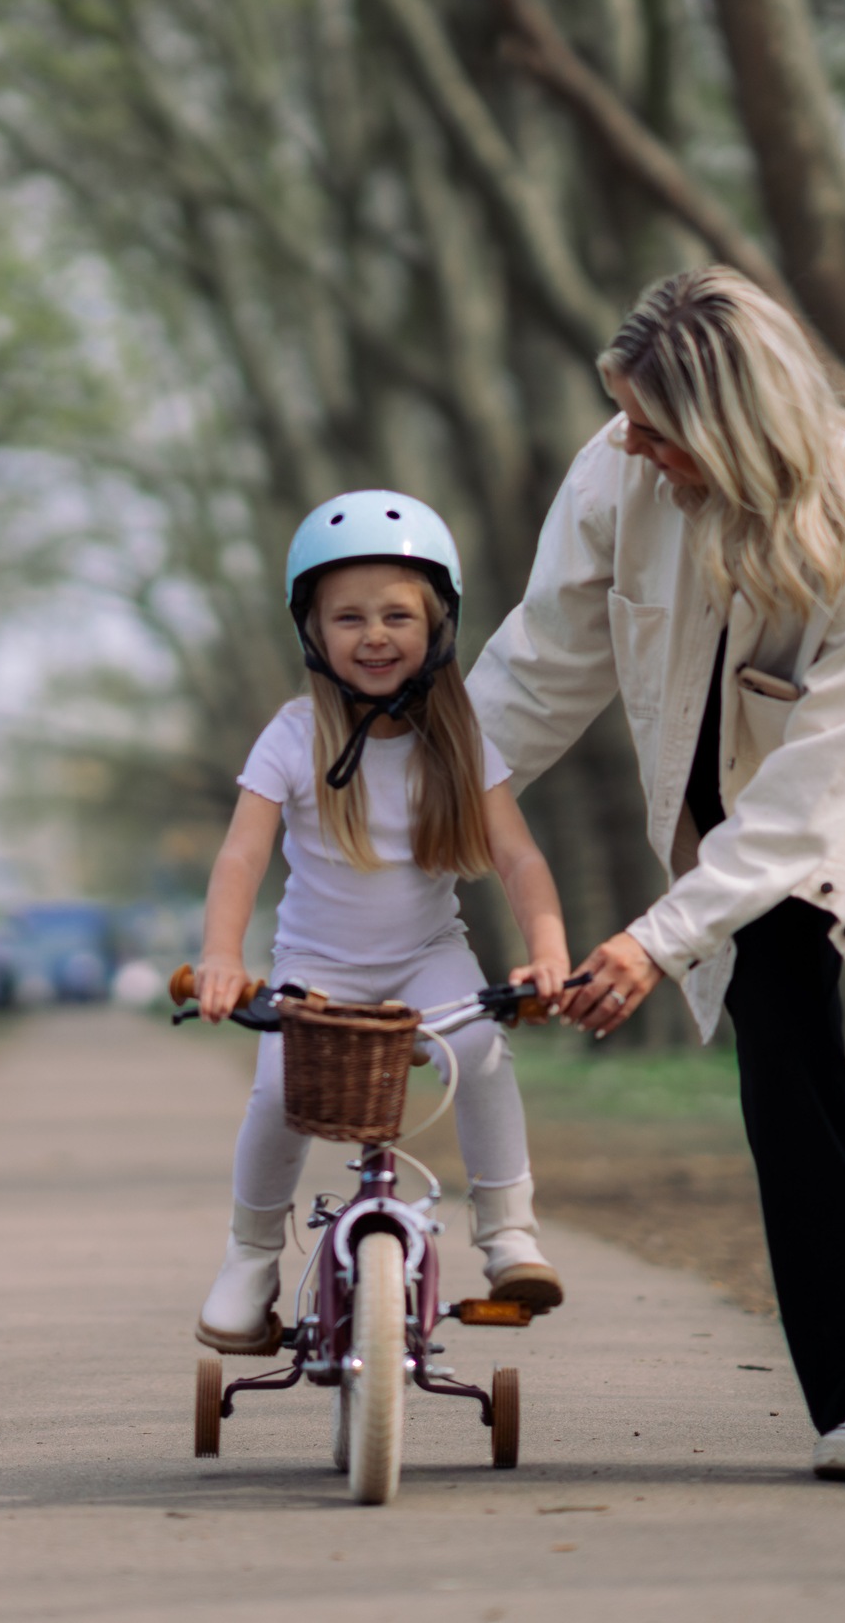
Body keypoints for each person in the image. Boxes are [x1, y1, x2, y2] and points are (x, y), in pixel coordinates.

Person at [467, 266, 845, 1483]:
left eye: (657, 426)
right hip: (732, 794)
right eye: (627, 418)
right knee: (780, 1037)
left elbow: (824, 789)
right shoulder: (617, 470)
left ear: (734, 428)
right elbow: (542, 661)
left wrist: (656, 938)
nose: (631, 444)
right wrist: (412, 799)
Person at [192, 491, 572, 1356]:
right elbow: (241, 860)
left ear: (436, 627)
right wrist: (222, 957)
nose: (374, 634)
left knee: (479, 1049)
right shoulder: (293, 735)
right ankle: (250, 1257)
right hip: (316, 963)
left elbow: (518, 859)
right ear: (312, 632)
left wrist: (547, 954)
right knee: (280, 1087)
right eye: (348, 616)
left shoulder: (462, 739)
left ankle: (510, 1235)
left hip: (427, 959)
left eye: (398, 615)